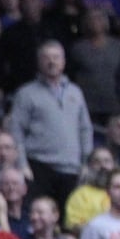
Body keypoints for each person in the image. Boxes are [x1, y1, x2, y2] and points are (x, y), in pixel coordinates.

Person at [8, 40, 91, 208]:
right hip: (38, 166)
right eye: (46, 57)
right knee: (40, 215)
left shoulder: (75, 92)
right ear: (39, 62)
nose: (51, 61)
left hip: (71, 168)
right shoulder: (26, 93)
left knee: (67, 219)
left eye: (56, 57)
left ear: (63, 62)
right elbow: (16, 131)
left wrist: (86, 163)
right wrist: (22, 165)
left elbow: (85, 129)